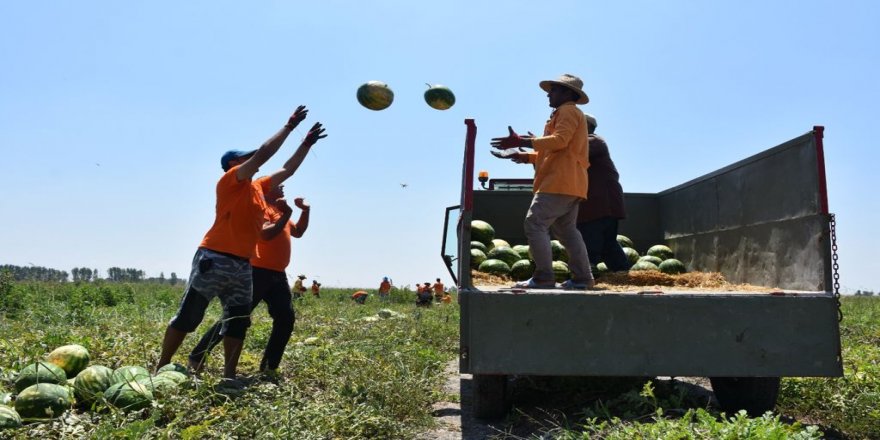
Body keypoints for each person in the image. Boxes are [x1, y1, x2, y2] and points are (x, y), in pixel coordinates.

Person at [156, 106, 324, 381]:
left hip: (243, 264)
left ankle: (229, 377)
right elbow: (264, 153)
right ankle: (161, 366)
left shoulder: (258, 190)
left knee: (237, 322)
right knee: (190, 315)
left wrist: (306, 144)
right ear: (233, 166)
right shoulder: (229, 181)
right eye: (244, 158)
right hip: (215, 258)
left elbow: (288, 169)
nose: (253, 160)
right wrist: (289, 127)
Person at [188, 182, 315, 375]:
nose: (282, 185)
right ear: (265, 191)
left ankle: (269, 366)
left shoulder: (279, 211)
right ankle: (197, 356)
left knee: (286, 318)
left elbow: (298, 232)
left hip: (278, 275)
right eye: (276, 184)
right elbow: (264, 234)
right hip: (257, 272)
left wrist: (305, 211)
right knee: (235, 318)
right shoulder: (262, 209)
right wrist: (287, 213)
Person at [490, 73, 594, 290]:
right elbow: (559, 151)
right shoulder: (569, 113)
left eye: (553, 90)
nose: (548, 94)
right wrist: (525, 155)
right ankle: (583, 278)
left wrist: (524, 141)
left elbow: (559, 141)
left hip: (558, 183)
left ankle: (544, 277)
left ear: (567, 93)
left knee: (535, 223)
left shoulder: (567, 111)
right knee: (567, 232)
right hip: (571, 183)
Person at [576, 114, 631, 272]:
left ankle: (586, 274)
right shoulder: (587, 142)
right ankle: (622, 273)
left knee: (590, 240)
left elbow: (568, 151)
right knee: (608, 244)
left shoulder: (594, 141)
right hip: (598, 204)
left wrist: (539, 144)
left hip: (601, 204)